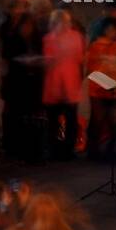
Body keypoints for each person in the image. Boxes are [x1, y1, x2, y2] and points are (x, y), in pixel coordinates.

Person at [84, 16, 116, 161]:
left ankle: (113, 151)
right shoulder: (96, 46)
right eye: (108, 29)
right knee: (96, 123)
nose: (111, 32)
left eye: (113, 29)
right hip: (99, 92)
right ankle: (93, 152)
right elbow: (90, 68)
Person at [42, 8, 85, 161]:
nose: (66, 25)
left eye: (67, 22)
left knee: (71, 120)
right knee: (53, 121)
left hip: (69, 84)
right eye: (62, 22)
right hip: (55, 84)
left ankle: (68, 149)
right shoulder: (48, 39)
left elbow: (79, 59)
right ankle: (54, 149)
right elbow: (48, 61)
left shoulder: (75, 37)